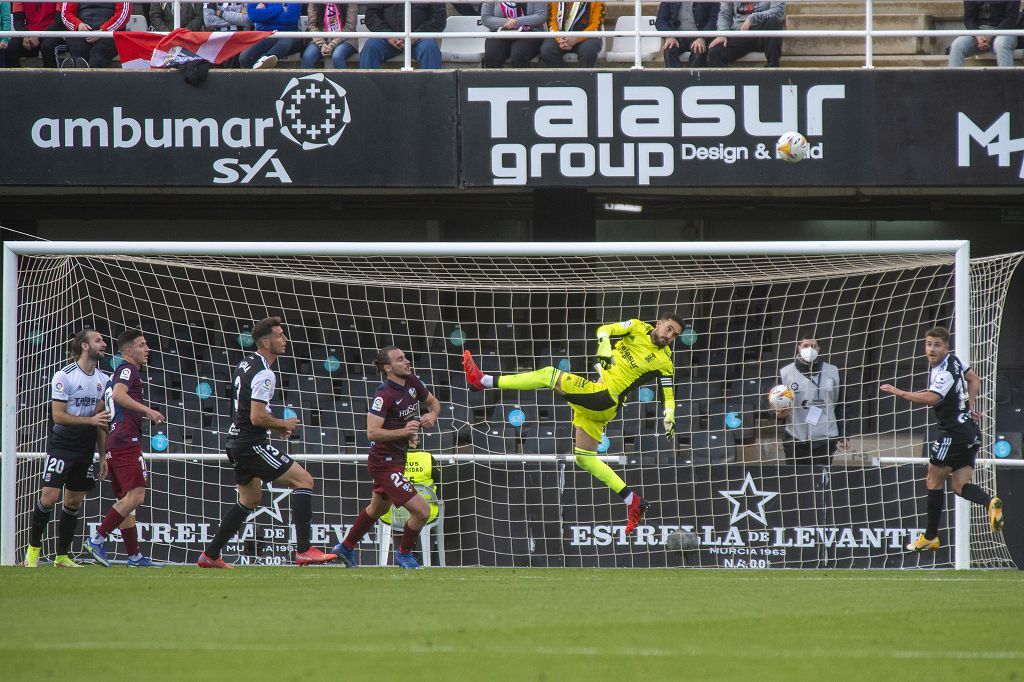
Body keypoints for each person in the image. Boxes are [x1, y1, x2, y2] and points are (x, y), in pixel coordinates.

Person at [463, 312, 684, 534]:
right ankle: (633, 501)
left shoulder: (664, 361)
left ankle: (482, 381)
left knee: (549, 375)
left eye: (674, 335)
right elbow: (604, 329)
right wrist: (605, 344)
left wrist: (669, 413)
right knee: (585, 458)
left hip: (605, 397)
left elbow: (668, 393)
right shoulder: (636, 327)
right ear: (658, 323)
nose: (669, 336)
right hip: (601, 403)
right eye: (668, 329)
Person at [198, 317, 337, 568]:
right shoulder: (265, 372)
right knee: (304, 480)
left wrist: (273, 425)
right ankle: (304, 550)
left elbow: (251, 412)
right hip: (250, 442)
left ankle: (210, 555)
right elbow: (257, 416)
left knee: (249, 500)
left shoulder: (246, 362)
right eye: (280, 336)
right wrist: (284, 424)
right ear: (265, 342)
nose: (285, 340)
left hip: (236, 441)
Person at [880, 326, 1004, 552]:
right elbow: (974, 379)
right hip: (970, 433)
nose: (932, 349)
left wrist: (900, 393)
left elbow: (931, 398)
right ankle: (990, 503)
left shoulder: (944, 371)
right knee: (959, 486)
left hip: (953, 433)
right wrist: (969, 405)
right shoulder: (955, 361)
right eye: (928, 344)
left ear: (946, 347)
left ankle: (930, 536)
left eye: (937, 345)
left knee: (933, 479)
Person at [332, 346, 441, 569]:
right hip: (383, 463)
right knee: (423, 511)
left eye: (406, 357)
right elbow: (371, 432)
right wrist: (405, 432)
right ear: (388, 368)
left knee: (378, 509)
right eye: (400, 360)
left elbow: (433, 402)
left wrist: (432, 415)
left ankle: (346, 547)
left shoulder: (412, 382)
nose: (407, 362)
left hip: (397, 460)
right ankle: (404, 554)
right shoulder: (384, 394)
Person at [23, 330, 110, 568]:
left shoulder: (103, 380)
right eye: (98, 340)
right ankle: (32, 553)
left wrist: (102, 455)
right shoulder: (65, 376)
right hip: (62, 443)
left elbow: (101, 422)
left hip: (85, 446)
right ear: (84, 346)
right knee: (50, 497)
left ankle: (62, 556)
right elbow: (58, 416)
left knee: (74, 501)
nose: (104, 344)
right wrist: (90, 422)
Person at [84, 329, 165, 567]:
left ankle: (134, 556)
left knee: (126, 500)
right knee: (137, 495)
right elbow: (119, 395)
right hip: (125, 440)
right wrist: (147, 410)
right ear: (129, 351)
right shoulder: (127, 370)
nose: (147, 349)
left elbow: (101, 407)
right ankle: (97, 538)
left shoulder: (112, 378)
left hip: (115, 441)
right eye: (142, 345)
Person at [774, 335, 849, 468]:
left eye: (813, 346)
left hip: (825, 437)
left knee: (821, 480)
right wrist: (778, 415)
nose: (810, 349)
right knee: (796, 481)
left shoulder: (833, 371)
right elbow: (774, 403)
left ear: (819, 348)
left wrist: (845, 434)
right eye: (806, 346)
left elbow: (842, 405)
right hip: (796, 437)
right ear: (798, 347)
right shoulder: (785, 373)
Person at [359, 0, 445, 69]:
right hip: (387, 39)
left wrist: (414, 36)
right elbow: (371, 16)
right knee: (370, 47)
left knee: (430, 48)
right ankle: (368, 89)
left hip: (420, 39)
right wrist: (388, 35)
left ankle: (432, 90)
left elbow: (438, 19)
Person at [707, 1, 786, 69]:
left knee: (774, 23)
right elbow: (725, 14)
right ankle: (726, 83)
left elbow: (779, 11)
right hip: (740, 33)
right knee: (714, 52)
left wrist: (753, 18)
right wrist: (722, 33)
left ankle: (772, 71)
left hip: (762, 31)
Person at [947, 1, 1021, 67]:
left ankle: (1008, 81)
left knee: (1002, 44)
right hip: (978, 33)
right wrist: (978, 35)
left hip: (1005, 33)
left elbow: (1010, 19)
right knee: (957, 46)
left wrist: (991, 35)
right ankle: (953, 81)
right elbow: (969, 18)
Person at [60, 0, 132, 68]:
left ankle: (82, 73)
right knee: (78, 52)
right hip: (82, 32)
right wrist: (79, 25)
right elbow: (66, 13)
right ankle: (76, 71)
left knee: (99, 54)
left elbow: (123, 14)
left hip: (109, 34)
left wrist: (103, 31)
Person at [539, 0, 605, 67]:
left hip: (586, 37)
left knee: (588, 50)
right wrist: (560, 38)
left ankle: (585, 76)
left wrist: (576, 38)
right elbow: (552, 22)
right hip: (561, 36)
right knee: (547, 50)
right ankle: (564, 76)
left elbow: (596, 25)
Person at [481, 1, 546, 68]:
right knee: (491, 56)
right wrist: (507, 23)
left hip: (529, 32)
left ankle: (523, 78)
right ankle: (498, 78)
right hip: (500, 33)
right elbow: (485, 18)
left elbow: (541, 16)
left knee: (519, 55)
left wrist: (517, 22)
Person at [238, 1, 301, 70]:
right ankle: (260, 77)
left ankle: (264, 61)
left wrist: (264, 17)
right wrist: (280, 9)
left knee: (285, 42)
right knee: (244, 57)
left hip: (288, 34)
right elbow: (253, 16)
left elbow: (291, 18)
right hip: (265, 34)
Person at [656, 0, 717, 68]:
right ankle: (674, 77)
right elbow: (661, 20)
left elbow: (714, 19)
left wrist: (702, 38)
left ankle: (692, 78)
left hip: (699, 36)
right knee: (669, 49)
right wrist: (669, 36)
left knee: (699, 50)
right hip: (676, 36)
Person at [301, 1, 358, 69]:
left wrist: (332, 44)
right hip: (320, 39)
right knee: (308, 56)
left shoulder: (350, 2)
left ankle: (343, 79)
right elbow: (312, 25)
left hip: (346, 39)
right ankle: (307, 79)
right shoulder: (314, 2)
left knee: (337, 56)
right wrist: (321, 44)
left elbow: (350, 27)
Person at [3, 2, 60, 68]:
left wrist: (39, 36)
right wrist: (26, 35)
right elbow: (18, 21)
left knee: (47, 47)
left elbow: (59, 22)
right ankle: (16, 77)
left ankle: (51, 78)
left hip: (53, 34)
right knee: (10, 47)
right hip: (30, 35)